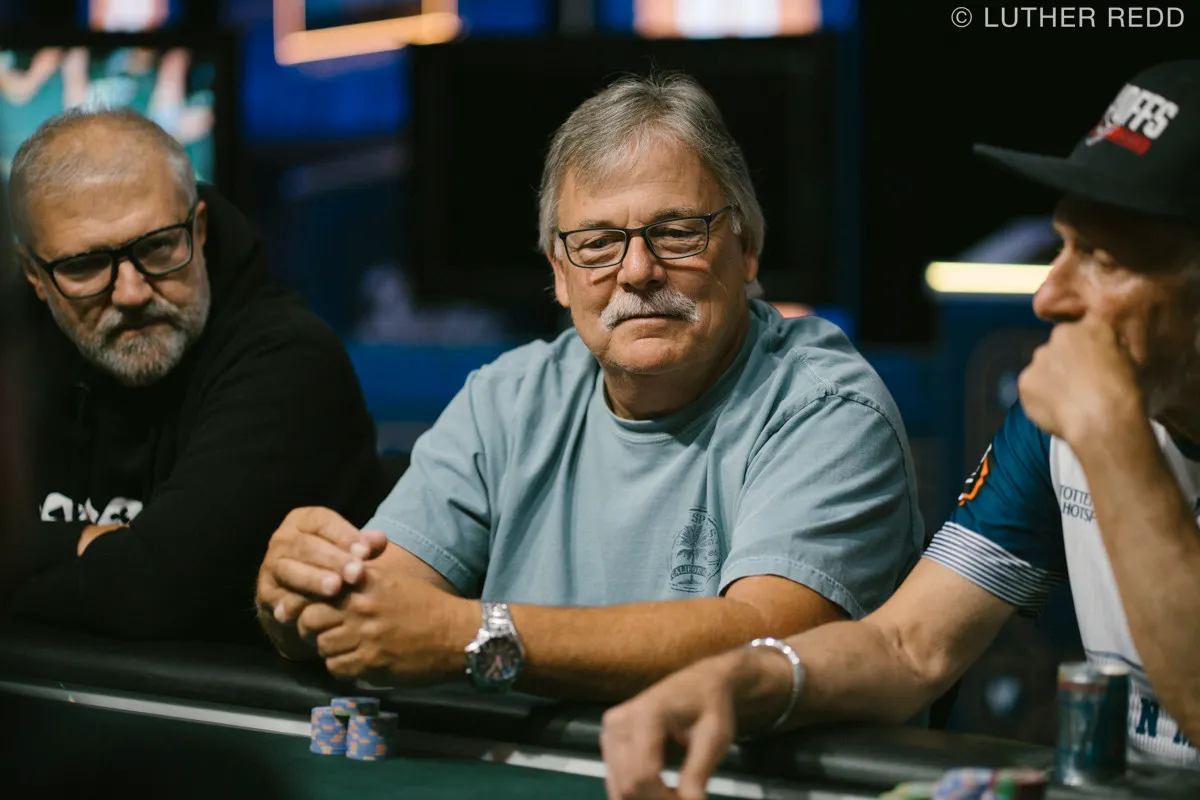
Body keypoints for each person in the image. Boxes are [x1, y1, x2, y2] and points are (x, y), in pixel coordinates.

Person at [599, 59, 1200, 798]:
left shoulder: (1096, 421)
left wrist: (1114, 440)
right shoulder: (1060, 429)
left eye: (1103, 260)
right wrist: (745, 679)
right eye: (1062, 248)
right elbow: (910, 646)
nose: (1050, 296)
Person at [255, 72, 924, 700]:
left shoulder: (827, 409)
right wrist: (299, 596)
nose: (637, 270)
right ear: (559, 272)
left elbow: (769, 640)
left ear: (746, 249)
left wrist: (476, 635)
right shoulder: (506, 401)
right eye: (599, 243)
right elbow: (372, 612)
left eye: (676, 232)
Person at [7, 107, 390, 641]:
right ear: (34, 274)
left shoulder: (291, 361)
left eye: (158, 246)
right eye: (85, 266)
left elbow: (155, 591)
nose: (131, 292)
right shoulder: (16, 349)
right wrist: (101, 549)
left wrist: (25, 547)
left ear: (200, 229)